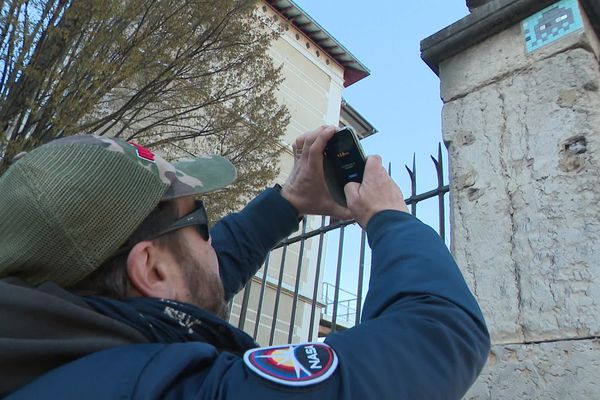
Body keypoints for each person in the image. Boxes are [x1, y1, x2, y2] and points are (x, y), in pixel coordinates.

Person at [0, 125, 490, 399]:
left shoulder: (44, 353)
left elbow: (187, 290)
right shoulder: (171, 391)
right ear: (150, 269)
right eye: (202, 225)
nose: (215, 244)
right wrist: (389, 220)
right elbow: (439, 334)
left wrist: (289, 201)